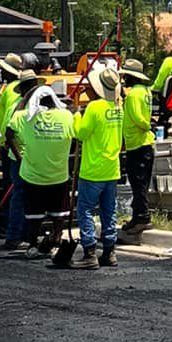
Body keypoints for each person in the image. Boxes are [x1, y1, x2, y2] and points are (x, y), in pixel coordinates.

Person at [10, 82, 76, 265]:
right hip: (58, 175)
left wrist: (19, 156)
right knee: (59, 213)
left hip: (33, 175)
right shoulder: (66, 117)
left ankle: (32, 245)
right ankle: (55, 242)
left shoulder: (26, 117)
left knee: (33, 213)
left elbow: (9, 132)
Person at [72, 62, 124, 268]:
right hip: (112, 168)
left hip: (93, 170)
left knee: (84, 210)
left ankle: (90, 252)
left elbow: (81, 133)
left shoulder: (94, 107)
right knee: (108, 211)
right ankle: (110, 252)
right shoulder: (118, 106)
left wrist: (76, 115)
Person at [0, 55, 37, 251]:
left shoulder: (10, 92)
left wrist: (4, 141)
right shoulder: (14, 93)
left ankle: (14, 230)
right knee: (20, 191)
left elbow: (6, 120)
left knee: (16, 190)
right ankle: (18, 231)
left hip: (13, 148)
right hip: (18, 149)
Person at [119, 60, 155, 238]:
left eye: (125, 75)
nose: (124, 78)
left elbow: (138, 118)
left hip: (138, 144)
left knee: (138, 184)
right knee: (140, 183)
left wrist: (147, 126)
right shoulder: (146, 91)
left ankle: (142, 218)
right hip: (144, 144)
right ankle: (137, 216)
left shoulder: (133, 95)